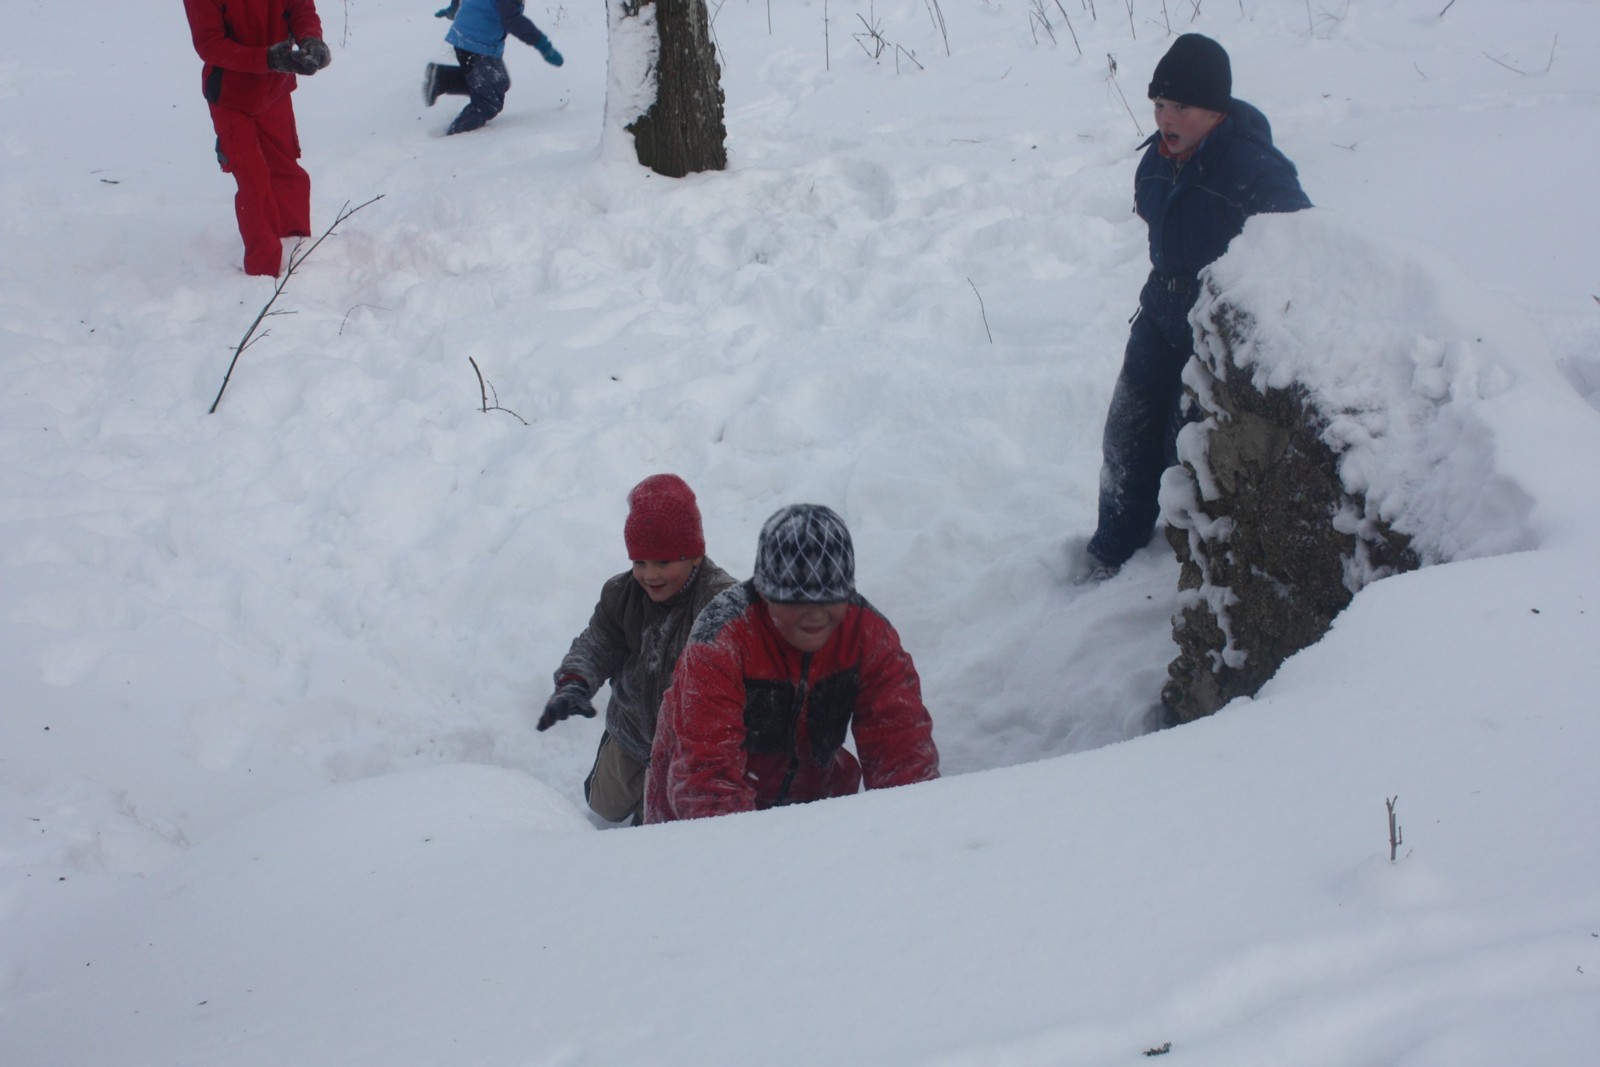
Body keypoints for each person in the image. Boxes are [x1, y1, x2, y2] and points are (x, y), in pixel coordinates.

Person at [1078, 33, 1311, 580]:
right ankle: (1112, 552)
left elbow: (1298, 248)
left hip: (1213, 329)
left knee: (1181, 448)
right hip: (1159, 312)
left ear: (1215, 109)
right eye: (1159, 104)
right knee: (1126, 438)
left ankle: (1182, 569)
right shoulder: (1158, 161)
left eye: (1180, 106)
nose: (1165, 118)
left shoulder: (1257, 171)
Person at [645, 504, 940, 824]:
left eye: (830, 596)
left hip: (814, 808)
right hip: (696, 818)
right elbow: (706, 780)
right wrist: (747, 850)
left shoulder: (868, 635)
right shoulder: (720, 639)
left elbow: (903, 757)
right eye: (795, 598)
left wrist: (907, 833)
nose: (815, 613)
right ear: (764, 592)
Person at [537, 474, 735, 826]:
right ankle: (636, 785)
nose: (649, 575)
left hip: (689, 746)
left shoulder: (720, 603)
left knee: (666, 820)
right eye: (639, 562)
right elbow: (598, 643)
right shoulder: (622, 594)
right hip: (631, 730)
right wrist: (575, 681)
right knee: (604, 805)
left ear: (694, 556)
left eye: (663, 562)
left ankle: (655, 807)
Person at [182, 0, 333, 277]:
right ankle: (263, 274)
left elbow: (301, 8)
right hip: (231, 99)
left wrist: (312, 39)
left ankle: (297, 251)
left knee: (287, 171)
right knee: (254, 182)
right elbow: (210, 45)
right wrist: (267, 59)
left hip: (275, 90)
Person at [423, 0, 564, 136]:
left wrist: (454, 8)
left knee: (499, 84)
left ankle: (442, 78)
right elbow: (512, 19)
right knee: (488, 102)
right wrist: (544, 46)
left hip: (472, 35)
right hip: (476, 43)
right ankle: (455, 138)